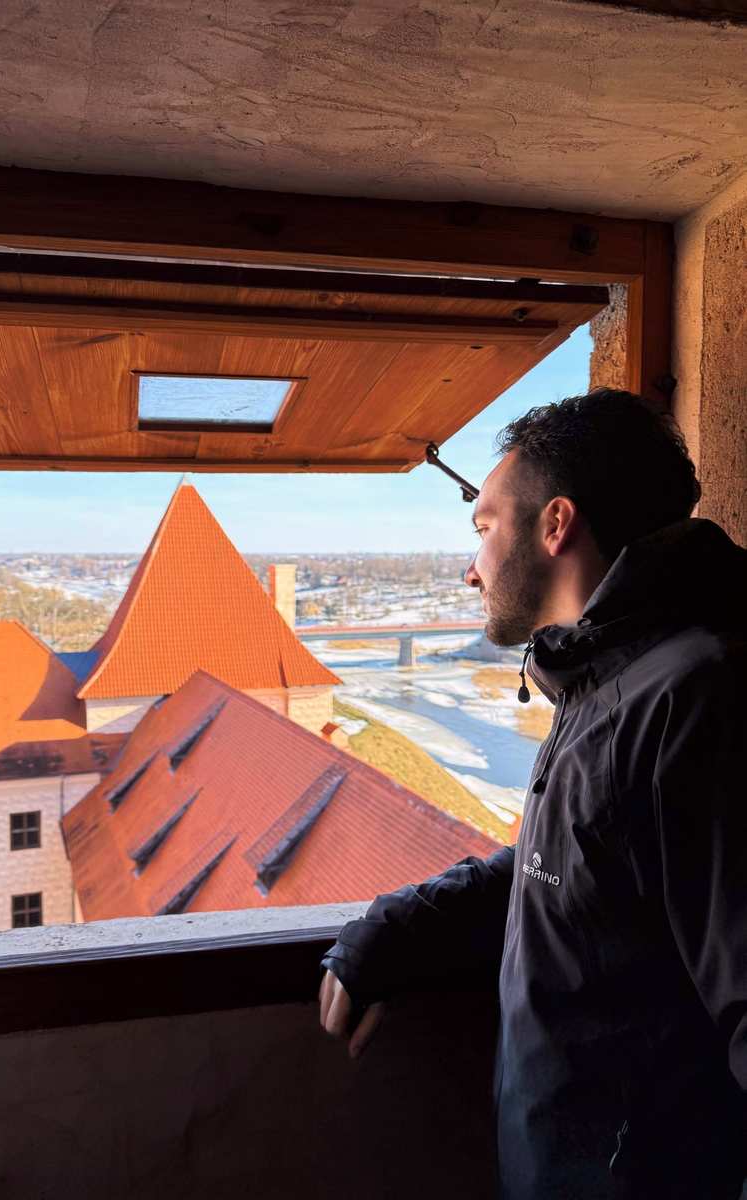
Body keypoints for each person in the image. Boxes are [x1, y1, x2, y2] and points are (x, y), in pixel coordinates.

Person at [319, 389, 746, 1200]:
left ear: (556, 526)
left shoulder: (694, 698)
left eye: (483, 528)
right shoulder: (608, 680)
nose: (468, 565)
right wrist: (398, 932)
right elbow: (572, 874)